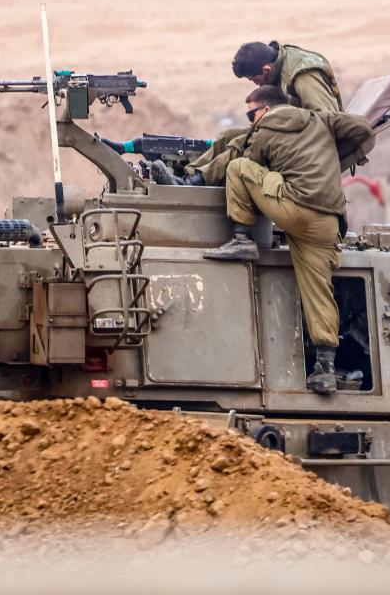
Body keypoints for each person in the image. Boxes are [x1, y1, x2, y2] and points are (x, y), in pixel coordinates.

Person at [203, 85, 371, 395]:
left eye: (251, 114)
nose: (250, 120)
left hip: (292, 207)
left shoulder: (264, 128)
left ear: (265, 110)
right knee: (319, 290)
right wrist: (338, 150)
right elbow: (362, 128)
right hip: (327, 220)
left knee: (239, 169)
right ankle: (325, 370)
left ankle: (241, 239)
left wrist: (198, 176)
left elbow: (242, 163)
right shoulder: (321, 119)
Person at [156, 40, 344, 186]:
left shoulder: (303, 76)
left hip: (309, 145)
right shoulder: (280, 65)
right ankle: (187, 177)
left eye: (255, 79)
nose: (256, 85)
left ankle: (198, 183)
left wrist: (280, 127)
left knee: (242, 143)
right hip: (293, 134)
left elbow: (328, 119)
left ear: (266, 69)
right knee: (227, 136)